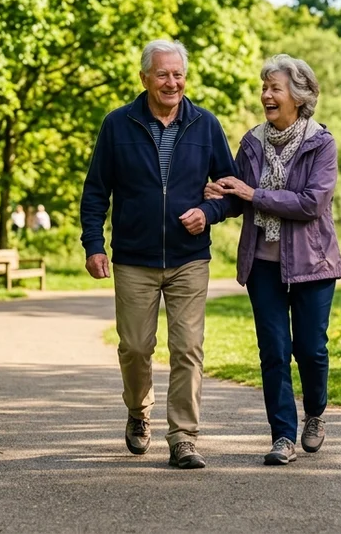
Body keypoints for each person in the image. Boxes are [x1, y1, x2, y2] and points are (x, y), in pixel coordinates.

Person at [80, 39, 236, 470]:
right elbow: (95, 192)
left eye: (179, 74)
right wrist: (94, 244)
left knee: (187, 347)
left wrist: (208, 212)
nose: (172, 82)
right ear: (145, 77)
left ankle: (183, 437)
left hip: (189, 258)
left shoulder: (205, 125)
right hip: (134, 258)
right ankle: (138, 411)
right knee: (134, 347)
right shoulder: (117, 124)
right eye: (164, 74)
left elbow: (232, 191)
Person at [205, 54, 341, 466]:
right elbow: (239, 199)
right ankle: (283, 436)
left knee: (312, 349)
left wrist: (251, 194)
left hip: (311, 265)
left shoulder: (321, 144)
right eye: (264, 87)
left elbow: (311, 204)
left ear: (298, 97)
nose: (266, 95)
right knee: (273, 351)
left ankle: (315, 413)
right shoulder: (251, 143)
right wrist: (220, 195)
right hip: (262, 264)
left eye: (274, 88)